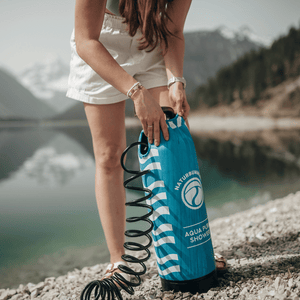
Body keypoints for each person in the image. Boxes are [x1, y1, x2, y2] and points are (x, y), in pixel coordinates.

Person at [67, 0, 227, 287]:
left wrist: (176, 81)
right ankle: (119, 261)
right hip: (100, 47)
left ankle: (189, 249)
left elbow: (174, 29)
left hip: (150, 41)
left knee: (171, 143)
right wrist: (136, 93)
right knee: (108, 156)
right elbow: (85, 40)